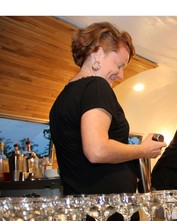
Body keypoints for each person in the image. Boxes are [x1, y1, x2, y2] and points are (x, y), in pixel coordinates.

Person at [49, 22, 166, 197]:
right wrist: (143, 150)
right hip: (106, 211)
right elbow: (97, 150)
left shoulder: (62, 98)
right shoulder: (97, 86)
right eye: (119, 65)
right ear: (98, 53)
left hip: (80, 207)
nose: (121, 75)